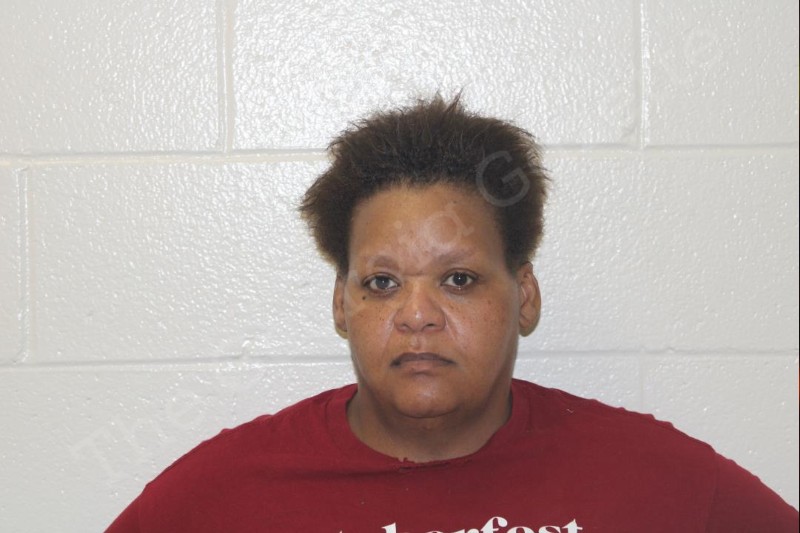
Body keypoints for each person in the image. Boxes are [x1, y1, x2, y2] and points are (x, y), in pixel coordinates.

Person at [107, 96, 798, 532]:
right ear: (341, 303)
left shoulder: (651, 479)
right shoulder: (229, 494)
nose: (417, 315)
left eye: (458, 279)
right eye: (382, 282)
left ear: (524, 295)